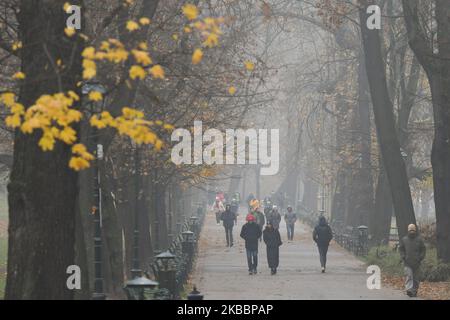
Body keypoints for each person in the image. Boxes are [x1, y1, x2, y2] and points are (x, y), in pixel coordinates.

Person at [399, 224, 426, 297]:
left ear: (415, 230)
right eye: (410, 230)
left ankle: (414, 291)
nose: (412, 231)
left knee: (416, 279)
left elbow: (423, 249)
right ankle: (409, 290)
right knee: (409, 277)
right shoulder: (404, 239)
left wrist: (420, 257)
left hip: (417, 263)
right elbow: (401, 249)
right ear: (408, 230)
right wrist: (403, 256)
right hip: (407, 262)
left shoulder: (419, 240)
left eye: (413, 230)